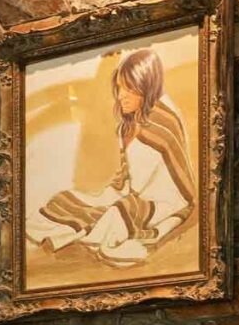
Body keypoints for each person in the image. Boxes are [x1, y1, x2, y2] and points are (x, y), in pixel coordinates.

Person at [34, 48, 197, 266]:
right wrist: (113, 191)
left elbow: (144, 183)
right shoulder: (129, 124)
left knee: (116, 213)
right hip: (132, 191)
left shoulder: (161, 124)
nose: (120, 95)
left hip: (165, 199)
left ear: (145, 86)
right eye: (119, 88)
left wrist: (118, 197)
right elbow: (127, 178)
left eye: (129, 89)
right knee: (66, 199)